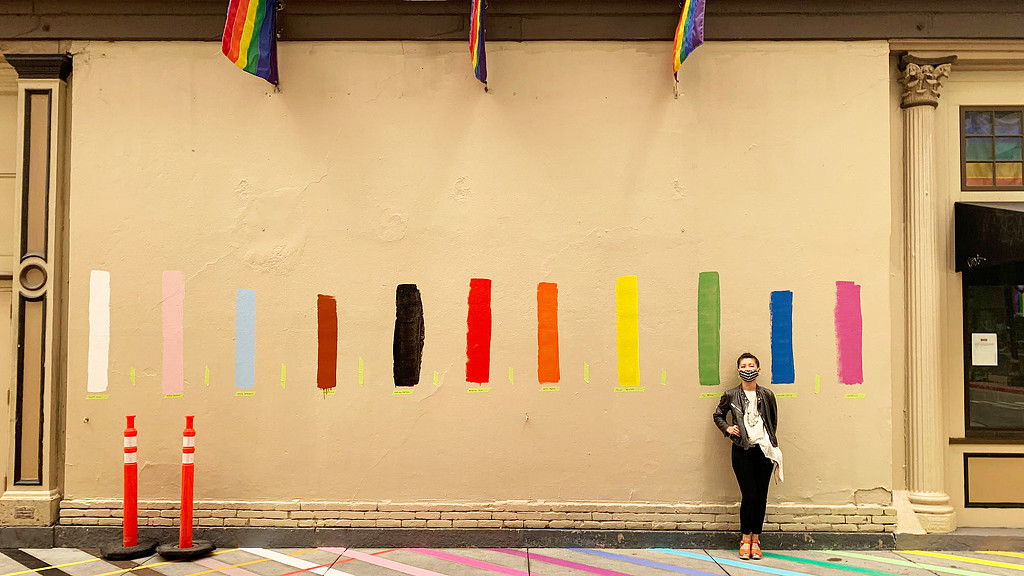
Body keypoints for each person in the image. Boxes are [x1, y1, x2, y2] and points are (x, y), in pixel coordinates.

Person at [712, 352, 783, 561]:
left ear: (758, 370)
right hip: (742, 451)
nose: (748, 369)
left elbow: (773, 422)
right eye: (744, 366)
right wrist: (728, 429)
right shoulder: (731, 394)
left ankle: (755, 540)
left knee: (761, 497)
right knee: (749, 496)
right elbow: (718, 415)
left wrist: (769, 442)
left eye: (751, 366)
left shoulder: (768, 395)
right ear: (738, 370)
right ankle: (744, 540)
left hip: (764, 451)